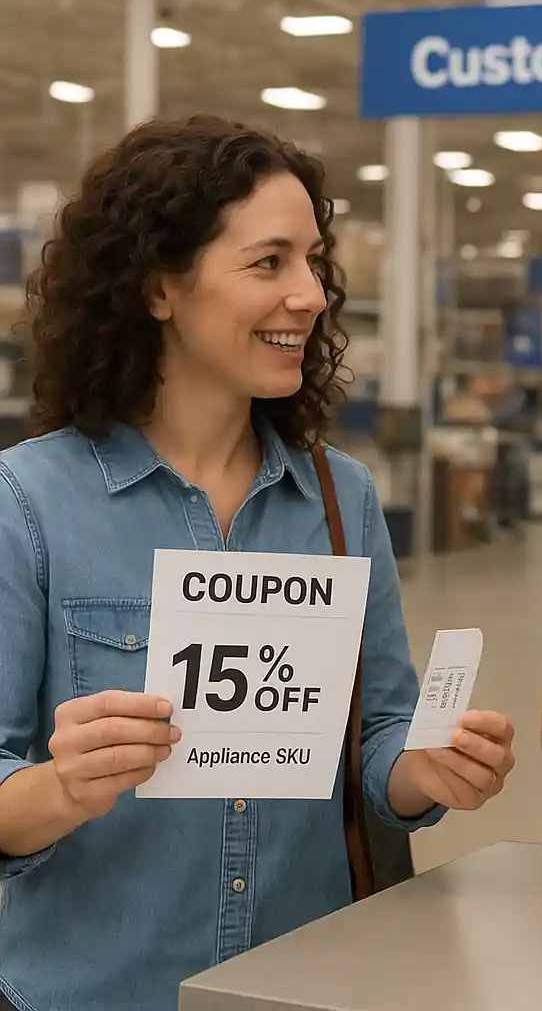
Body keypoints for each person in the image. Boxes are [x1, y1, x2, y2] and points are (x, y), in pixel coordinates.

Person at [0, 115, 516, 1011]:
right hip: (92, 989)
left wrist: (424, 769)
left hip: (298, 983)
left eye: (314, 261)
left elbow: (376, 740)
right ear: (161, 286)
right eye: (269, 262)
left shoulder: (340, 497)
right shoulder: (26, 502)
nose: (311, 295)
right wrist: (60, 786)